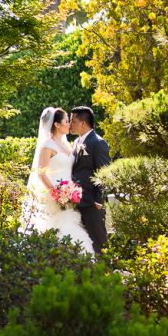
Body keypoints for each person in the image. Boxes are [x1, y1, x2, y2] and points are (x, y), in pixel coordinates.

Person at [21, 107, 94, 254]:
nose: (70, 124)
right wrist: (55, 193)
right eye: (66, 121)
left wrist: (71, 192)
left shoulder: (67, 144)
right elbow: (41, 173)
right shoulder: (47, 145)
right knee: (54, 228)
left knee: (69, 226)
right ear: (57, 125)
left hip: (69, 194)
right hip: (53, 193)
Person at [69, 106, 111, 253]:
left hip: (92, 203)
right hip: (77, 201)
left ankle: (107, 271)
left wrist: (99, 200)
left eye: (73, 121)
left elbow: (104, 172)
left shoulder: (98, 142)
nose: (70, 124)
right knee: (83, 242)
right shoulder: (75, 142)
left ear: (83, 123)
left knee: (98, 241)